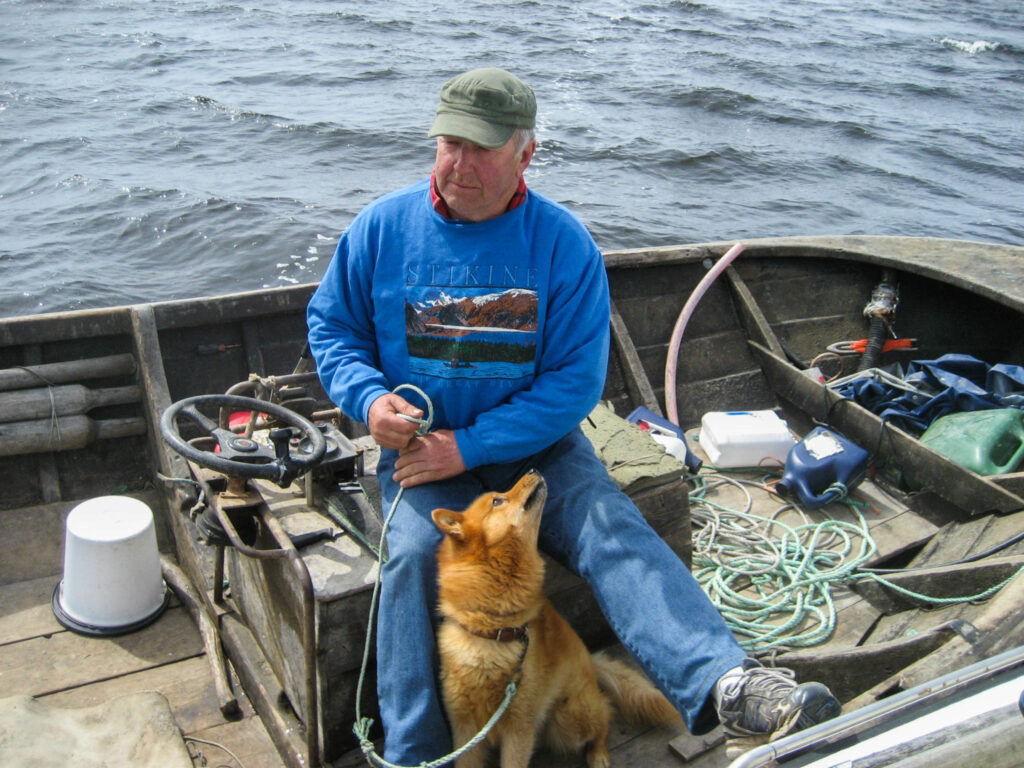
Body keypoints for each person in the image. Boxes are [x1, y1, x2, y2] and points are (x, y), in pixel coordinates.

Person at [307, 67, 840, 764]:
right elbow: (332, 330)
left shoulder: (563, 246)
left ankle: (727, 683)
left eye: (483, 148)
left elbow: (572, 387)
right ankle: (414, 752)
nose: (460, 164)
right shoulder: (380, 229)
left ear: (525, 154)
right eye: (449, 144)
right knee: (410, 557)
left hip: (537, 455)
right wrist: (370, 399)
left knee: (608, 524)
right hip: (420, 464)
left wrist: (468, 446)